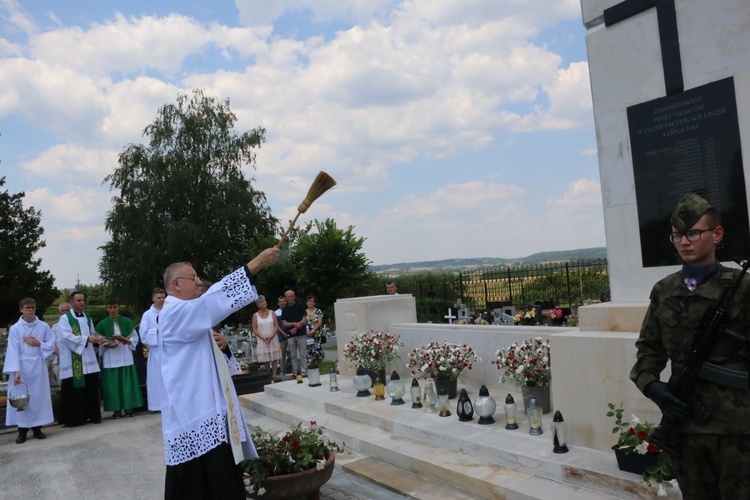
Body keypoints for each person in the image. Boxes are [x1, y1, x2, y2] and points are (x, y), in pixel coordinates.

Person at [630, 193, 750, 499]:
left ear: (717, 234)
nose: (685, 242)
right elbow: (648, 350)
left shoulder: (742, 288)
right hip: (685, 427)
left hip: (737, 429)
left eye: (694, 233)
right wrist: (654, 388)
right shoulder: (665, 290)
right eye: (678, 235)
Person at [157, 247, 279, 500]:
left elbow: (202, 349)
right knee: (203, 482)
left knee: (219, 476)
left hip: (208, 406)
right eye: (194, 278)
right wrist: (254, 266)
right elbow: (212, 301)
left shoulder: (186, 313)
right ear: (177, 284)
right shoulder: (173, 312)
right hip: (196, 412)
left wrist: (222, 347)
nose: (199, 282)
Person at [3, 298, 56, 444]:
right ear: (21, 309)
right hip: (21, 366)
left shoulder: (43, 326)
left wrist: (39, 343)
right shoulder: (15, 328)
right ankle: (22, 432)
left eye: (33, 307)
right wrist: (16, 371)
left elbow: (51, 344)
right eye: (28, 307)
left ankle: (37, 428)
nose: (31, 310)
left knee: (37, 397)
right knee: (22, 398)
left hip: (38, 365)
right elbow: (13, 350)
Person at [57, 291, 105, 427]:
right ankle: (76, 419)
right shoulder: (65, 319)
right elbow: (66, 337)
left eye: (83, 300)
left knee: (91, 387)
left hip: (88, 358)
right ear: (71, 302)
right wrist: (87, 339)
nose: (82, 303)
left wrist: (97, 340)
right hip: (74, 360)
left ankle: (94, 415)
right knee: (74, 391)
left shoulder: (88, 317)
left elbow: (92, 333)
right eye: (78, 300)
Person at [96, 298, 143, 418]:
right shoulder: (102, 324)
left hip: (125, 356)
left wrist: (127, 341)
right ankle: (116, 409)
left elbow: (135, 338)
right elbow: (99, 341)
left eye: (115, 307)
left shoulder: (127, 322)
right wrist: (106, 344)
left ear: (118, 307)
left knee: (127, 384)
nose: (113, 310)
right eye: (110, 307)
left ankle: (128, 408)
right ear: (107, 308)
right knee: (113, 386)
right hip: (110, 359)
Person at [139, 287, 166, 412]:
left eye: (163, 297)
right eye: (159, 298)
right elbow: (143, 335)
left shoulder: (169, 311)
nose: (161, 300)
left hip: (170, 350)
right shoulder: (147, 315)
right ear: (153, 299)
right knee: (157, 379)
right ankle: (158, 405)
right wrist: (156, 331)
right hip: (156, 352)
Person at [251, 295, 281, 382]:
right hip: (262, 338)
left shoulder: (272, 313)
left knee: (274, 357)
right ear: (258, 305)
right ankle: (268, 374)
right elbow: (254, 328)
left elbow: (276, 325)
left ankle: (274, 374)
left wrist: (271, 336)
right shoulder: (255, 315)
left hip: (272, 337)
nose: (263, 303)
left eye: (264, 301)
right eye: (260, 302)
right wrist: (263, 337)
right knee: (266, 357)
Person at [280, 290, 307, 376]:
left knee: (303, 354)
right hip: (291, 335)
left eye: (292, 296)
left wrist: (297, 326)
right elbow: (284, 323)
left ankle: (304, 371)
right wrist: (294, 324)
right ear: (286, 298)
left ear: (294, 297)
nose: (290, 298)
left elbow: (304, 318)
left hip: (301, 334)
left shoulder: (300, 306)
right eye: (288, 296)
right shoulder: (285, 310)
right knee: (293, 355)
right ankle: (295, 372)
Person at [304, 295, 325, 365]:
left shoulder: (318, 311)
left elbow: (319, 322)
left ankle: (319, 369)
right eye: (308, 301)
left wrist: (313, 331)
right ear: (306, 302)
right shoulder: (304, 312)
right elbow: (302, 323)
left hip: (317, 335)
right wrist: (307, 332)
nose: (310, 302)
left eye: (312, 301)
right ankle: (310, 369)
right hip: (307, 336)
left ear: (314, 303)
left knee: (318, 353)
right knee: (309, 353)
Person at [275, 295, 289, 375]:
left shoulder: (290, 310)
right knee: (282, 355)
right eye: (281, 301)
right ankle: (283, 371)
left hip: (291, 335)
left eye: (284, 301)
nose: (282, 302)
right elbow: (276, 325)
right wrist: (283, 333)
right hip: (281, 336)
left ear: (286, 302)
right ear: (278, 303)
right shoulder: (276, 313)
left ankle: (295, 370)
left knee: (293, 354)